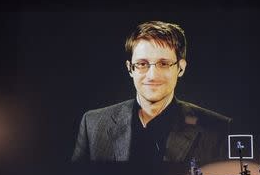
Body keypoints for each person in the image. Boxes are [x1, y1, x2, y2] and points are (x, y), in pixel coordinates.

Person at [72, 20, 231, 163]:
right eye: (142, 64)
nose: (152, 76)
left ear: (180, 68)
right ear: (130, 68)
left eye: (163, 64)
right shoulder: (93, 124)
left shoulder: (217, 129)